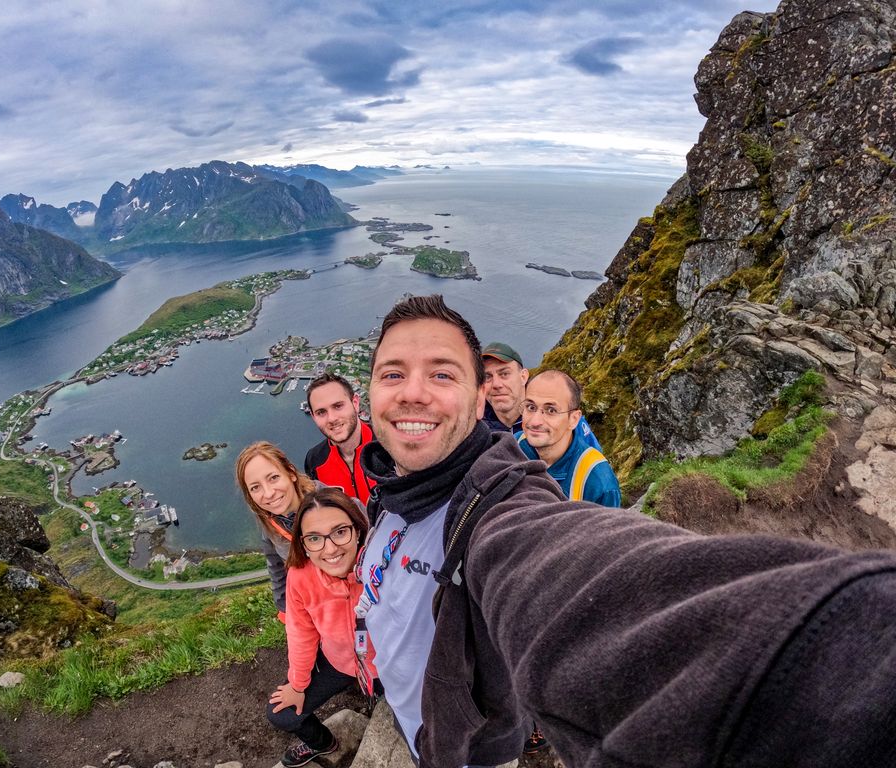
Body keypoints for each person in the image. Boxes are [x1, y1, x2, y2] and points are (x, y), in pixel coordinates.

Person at [358, 293, 896, 768]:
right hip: (419, 724)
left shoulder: (497, 506)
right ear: (372, 393)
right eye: (393, 373)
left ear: (481, 402)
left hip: (465, 750)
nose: (413, 393)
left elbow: (564, 563)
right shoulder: (391, 487)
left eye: (443, 373)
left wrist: (841, 642)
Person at [267, 487, 378, 768]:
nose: (329, 549)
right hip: (339, 662)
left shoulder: (381, 565)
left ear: (358, 530)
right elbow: (301, 632)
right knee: (282, 713)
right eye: (315, 539)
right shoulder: (300, 577)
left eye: (340, 532)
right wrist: (298, 684)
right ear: (303, 544)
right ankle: (324, 744)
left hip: (387, 666)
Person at [516, 369, 621, 507]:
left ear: (573, 419)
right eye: (530, 407)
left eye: (551, 411)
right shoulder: (513, 445)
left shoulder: (598, 481)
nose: (535, 421)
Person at [235, 441, 314, 617]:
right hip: (314, 611)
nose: (269, 493)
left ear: (291, 473)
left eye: (273, 478)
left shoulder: (332, 505)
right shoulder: (270, 525)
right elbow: (277, 570)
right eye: (255, 487)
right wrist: (286, 612)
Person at [481, 340, 602, 452]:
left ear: (523, 377)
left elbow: (594, 463)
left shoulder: (562, 418)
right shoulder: (475, 427)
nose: (496, 384)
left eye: (504, 374)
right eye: (487, 377)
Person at [304, 373, 376, 504]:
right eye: (321, 412)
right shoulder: (314, 460)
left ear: (355, 403)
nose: (331, 418)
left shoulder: (389, 446)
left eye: (338, 406)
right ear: (313, 417)